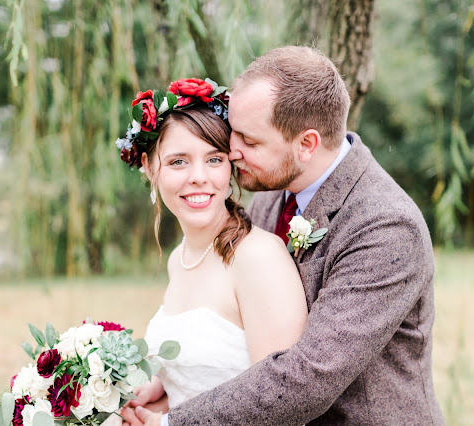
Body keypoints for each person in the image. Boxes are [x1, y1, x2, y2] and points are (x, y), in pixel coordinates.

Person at [131, 46, 445, 425]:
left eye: (249, 140)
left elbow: (307, 377)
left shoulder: (386, 227)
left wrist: (175, 423)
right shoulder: (272, 193)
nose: (231, 152)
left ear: (306, 145)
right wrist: (179, 380)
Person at [109, 78, 308, 424]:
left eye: (214, 160)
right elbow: (201, 375)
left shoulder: (258, 258)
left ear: (231, 165)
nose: (199, 177)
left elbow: (281, 405)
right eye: (178, 162)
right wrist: (158, 388)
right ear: (149, 166)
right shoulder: (179, 258)